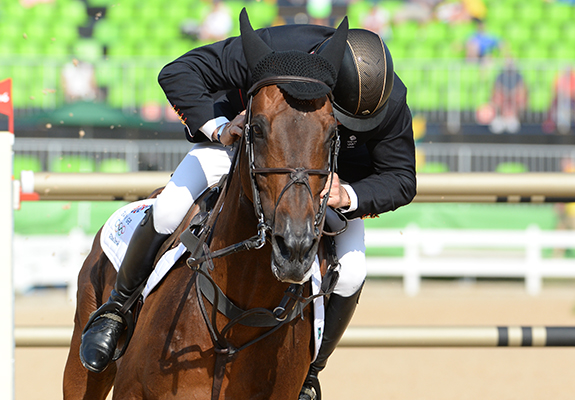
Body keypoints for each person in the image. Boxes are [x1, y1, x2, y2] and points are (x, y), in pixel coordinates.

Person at [79, 9, 416, 400]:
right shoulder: (270, 51)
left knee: (354, 270)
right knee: (171, 206)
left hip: (327, 180)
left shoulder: (389, 100)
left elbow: (402, 178)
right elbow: (176, 73)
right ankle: (116, 311)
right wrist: (221, 127)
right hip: (247, 149)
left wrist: (349, 195)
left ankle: (310, 371)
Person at [542, 66, 575, 134]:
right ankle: (550, 121)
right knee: (554, 101)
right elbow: (556, 90)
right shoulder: (561, 78)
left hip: (574, 99)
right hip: (563, 99)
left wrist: (572, 95)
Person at [488, 58, 528, 134]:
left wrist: (511, 95)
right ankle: (502, 117)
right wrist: (506, 95)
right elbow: (496, 89)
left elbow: (522, 89)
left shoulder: (519, 77)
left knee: (518, 98)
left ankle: (512, 117)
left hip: (514, 102)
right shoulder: (499, 76)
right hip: (503, 100)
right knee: (498, 98)